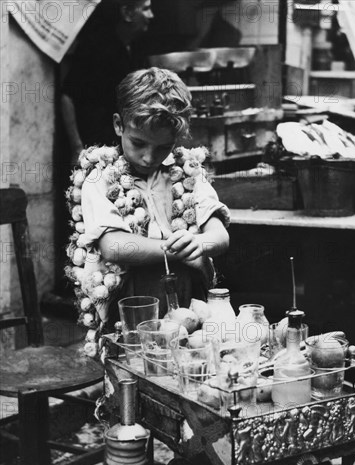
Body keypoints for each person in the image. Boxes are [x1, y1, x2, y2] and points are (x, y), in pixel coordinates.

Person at [65, 67, 230, 355]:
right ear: (119, 125)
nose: (149, 157)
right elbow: (115, 245)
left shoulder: (187, 172)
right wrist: (175, 250)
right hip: (130, 307)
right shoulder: (99, 177)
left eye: (163, 147)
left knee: (184, 369)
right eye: (139, 143)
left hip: (188, 303)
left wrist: (201, 243)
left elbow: (220, 236)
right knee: (134, 373)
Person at [61, 0, 154, 165]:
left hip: (123, 150)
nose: (151, 15)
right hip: (94, 150)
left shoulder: (137, 49)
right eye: (146, 9)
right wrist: (77, 148)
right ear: (127, 13)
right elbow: (67, 97)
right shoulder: (94, 48)